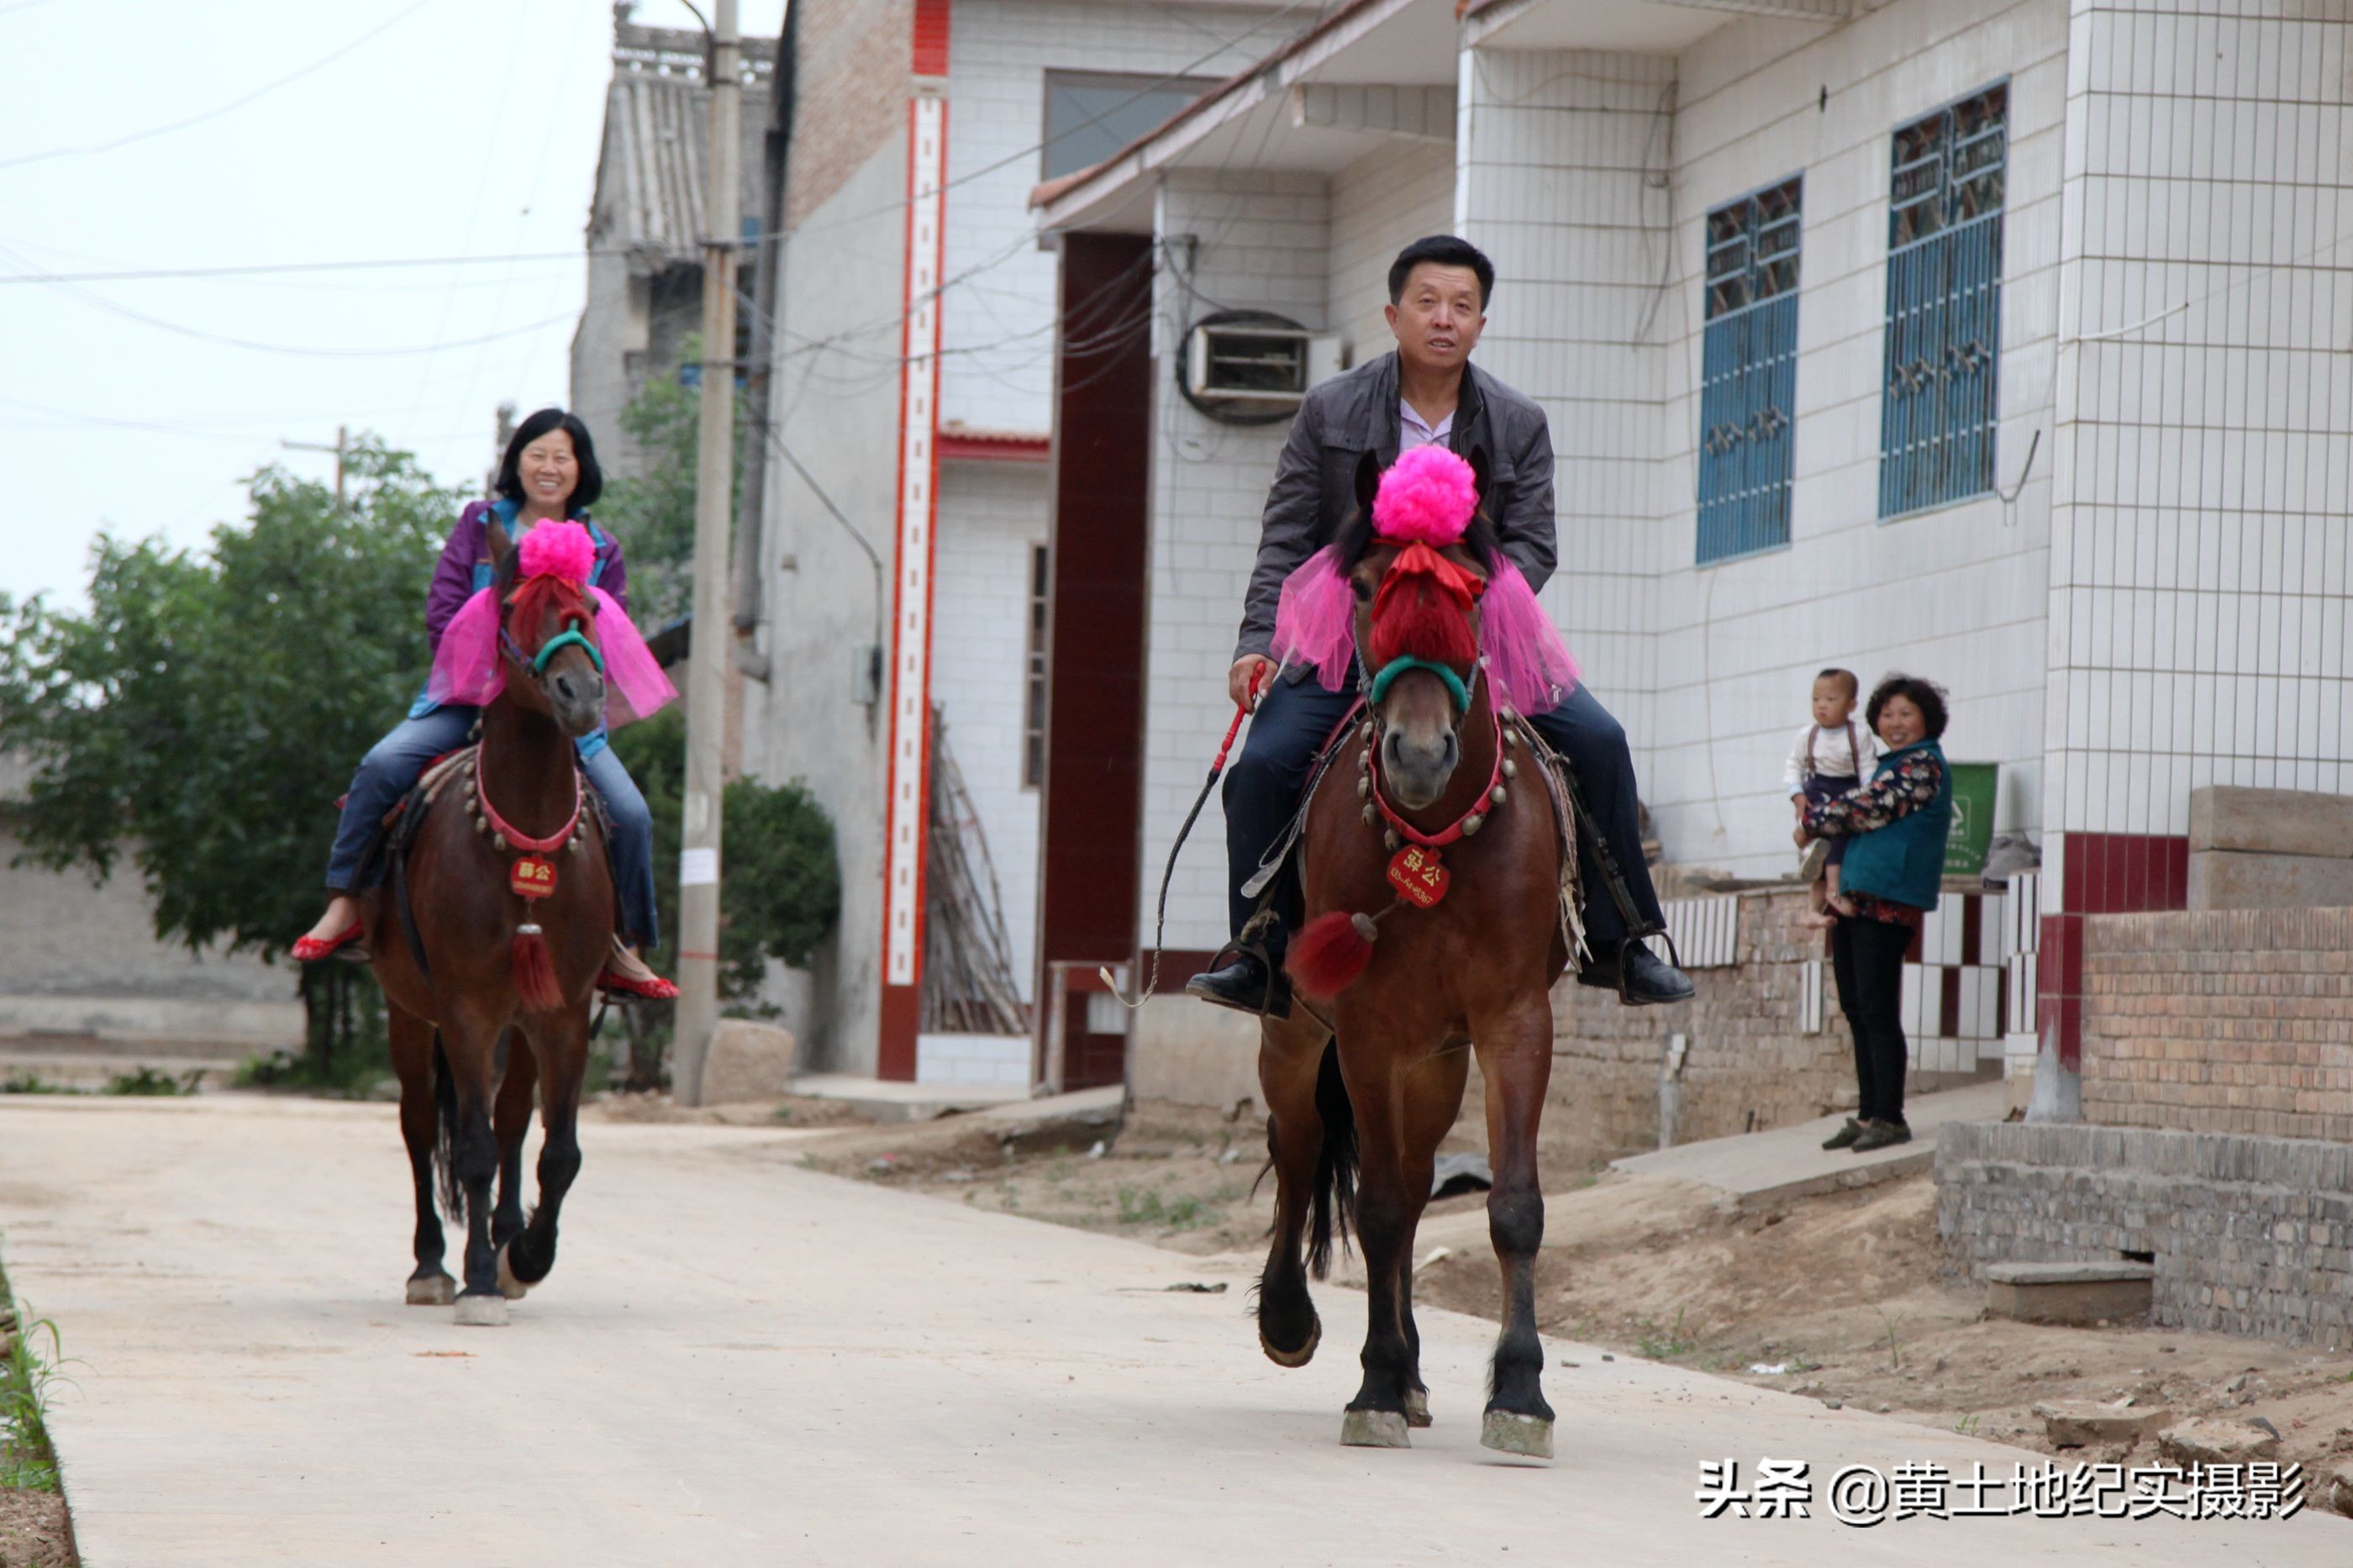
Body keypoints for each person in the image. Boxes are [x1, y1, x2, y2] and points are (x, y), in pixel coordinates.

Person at [1187, 235, 1694, 1019]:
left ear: (1482, 323)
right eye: (1428, 302)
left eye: (1462, 306)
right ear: (1394, 315)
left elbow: (1532, 542)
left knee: (1600, 741)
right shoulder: (1330, 410)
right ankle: (1258, 948)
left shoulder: (1518, 422)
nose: (1444, 320)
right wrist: (1258, 643)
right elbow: (1286, 536)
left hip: (1473, 635)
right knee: (1263, 767)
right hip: (1349, 634)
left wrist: (1465, 598)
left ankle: (1622, 939)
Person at [292, 408, 676, 1000]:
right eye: (537, 454)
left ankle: (623, 946)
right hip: (468, 699)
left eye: (562, 457)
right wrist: (498, 681)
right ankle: (347, 904)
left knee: (633, 815)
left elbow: (611, 636)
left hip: (562, 718)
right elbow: (444, 612)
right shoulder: (478, 526)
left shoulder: (602, 548)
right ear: (516, 463)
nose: (549, 468)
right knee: (381, 767)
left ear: (581, 470)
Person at [1794, 674, 1954, 1154]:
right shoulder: (1887, 763)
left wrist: (1811, 821)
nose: (1895, 722)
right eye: (1887, 714)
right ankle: (1867, 1114)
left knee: (1878, 1008)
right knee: (1857, 1008)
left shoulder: (1922, 765)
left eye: (1906, 713)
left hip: (1888, 900)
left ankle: (1890, 1115)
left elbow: (1870, 808)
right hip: (1855, 899)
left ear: (1927, 719)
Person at [1783, 667, 1877, 929]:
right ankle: (1824, 899)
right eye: (1816, 699)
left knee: (1832, 847)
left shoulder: (1858, 734)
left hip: (1847, 793)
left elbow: (1868, 767)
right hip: (1816, 792)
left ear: (1851, 705)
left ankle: (1825, 896)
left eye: (1831, 699)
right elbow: (1794, 767)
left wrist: (1868, 796)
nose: (1822, 705)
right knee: (1822, 851)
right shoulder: (1807, 735)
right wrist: (1798, 796)